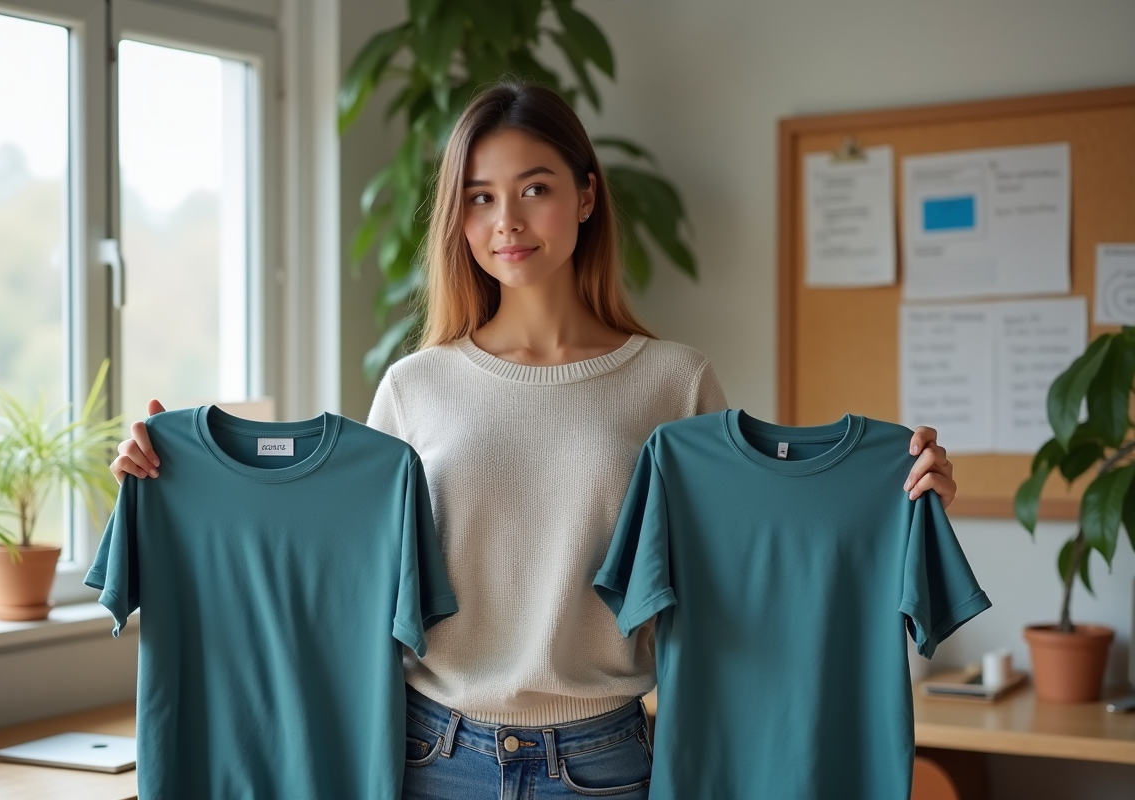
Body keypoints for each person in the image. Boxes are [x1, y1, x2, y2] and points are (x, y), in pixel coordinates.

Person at [109, 80, 956, 799]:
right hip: (430, 757)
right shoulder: (415, 385)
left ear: (586, 196)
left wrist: (902, 496)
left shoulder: (675, 382)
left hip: (606, 762)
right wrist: (171, 477)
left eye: (534, 187)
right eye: (479, 195)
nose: (506, 219)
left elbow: (743, 571)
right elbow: (343, 572)